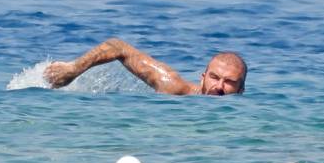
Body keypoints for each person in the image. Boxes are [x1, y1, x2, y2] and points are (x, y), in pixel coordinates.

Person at [43, 38, 247, 96]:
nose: (219, 86)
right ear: (202, 77)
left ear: (241, 90)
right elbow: (118, 47)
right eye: (214, 77)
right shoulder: (174, 88)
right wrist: (73, 69)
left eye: (229, 82)